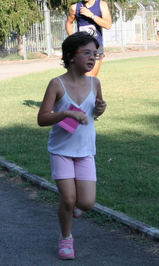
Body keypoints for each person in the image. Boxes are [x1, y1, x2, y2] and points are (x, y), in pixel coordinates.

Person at [37, 32, 107, 260]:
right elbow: (42, 118)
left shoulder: (95, 83)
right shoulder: (56, 84)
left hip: (85, 151)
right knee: (67, 199)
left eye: (95, 54)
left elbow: (93, 113)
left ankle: (76, 205)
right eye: (86, 52)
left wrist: (99, 110)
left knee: (86, 203)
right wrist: (65, 113)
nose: (92, 58)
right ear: (70, 56)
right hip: (61, 150)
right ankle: (66, 238)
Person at [65, 0, 112, 77]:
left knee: (92, 78)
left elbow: (108, 25)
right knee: (87, 76)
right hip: (82, 47)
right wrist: (72, 39)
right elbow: (69, 22)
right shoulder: (75, 7)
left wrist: (91, 15)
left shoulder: (101, 4)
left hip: (97, 46)